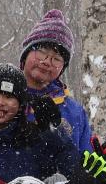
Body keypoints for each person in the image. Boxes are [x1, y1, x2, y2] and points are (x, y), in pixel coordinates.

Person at [0, 63, 78, 184]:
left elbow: (72, 171)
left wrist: (55, 133)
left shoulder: (34, 140)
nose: (0, 102)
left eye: (9, 97)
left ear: (20, 105)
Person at [16, 9, 92, 152]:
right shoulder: (1, 97)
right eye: (42, 52)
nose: (46, 62)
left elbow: (85, 158)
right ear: (26, 54)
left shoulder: (73, 112)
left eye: (56, 58)